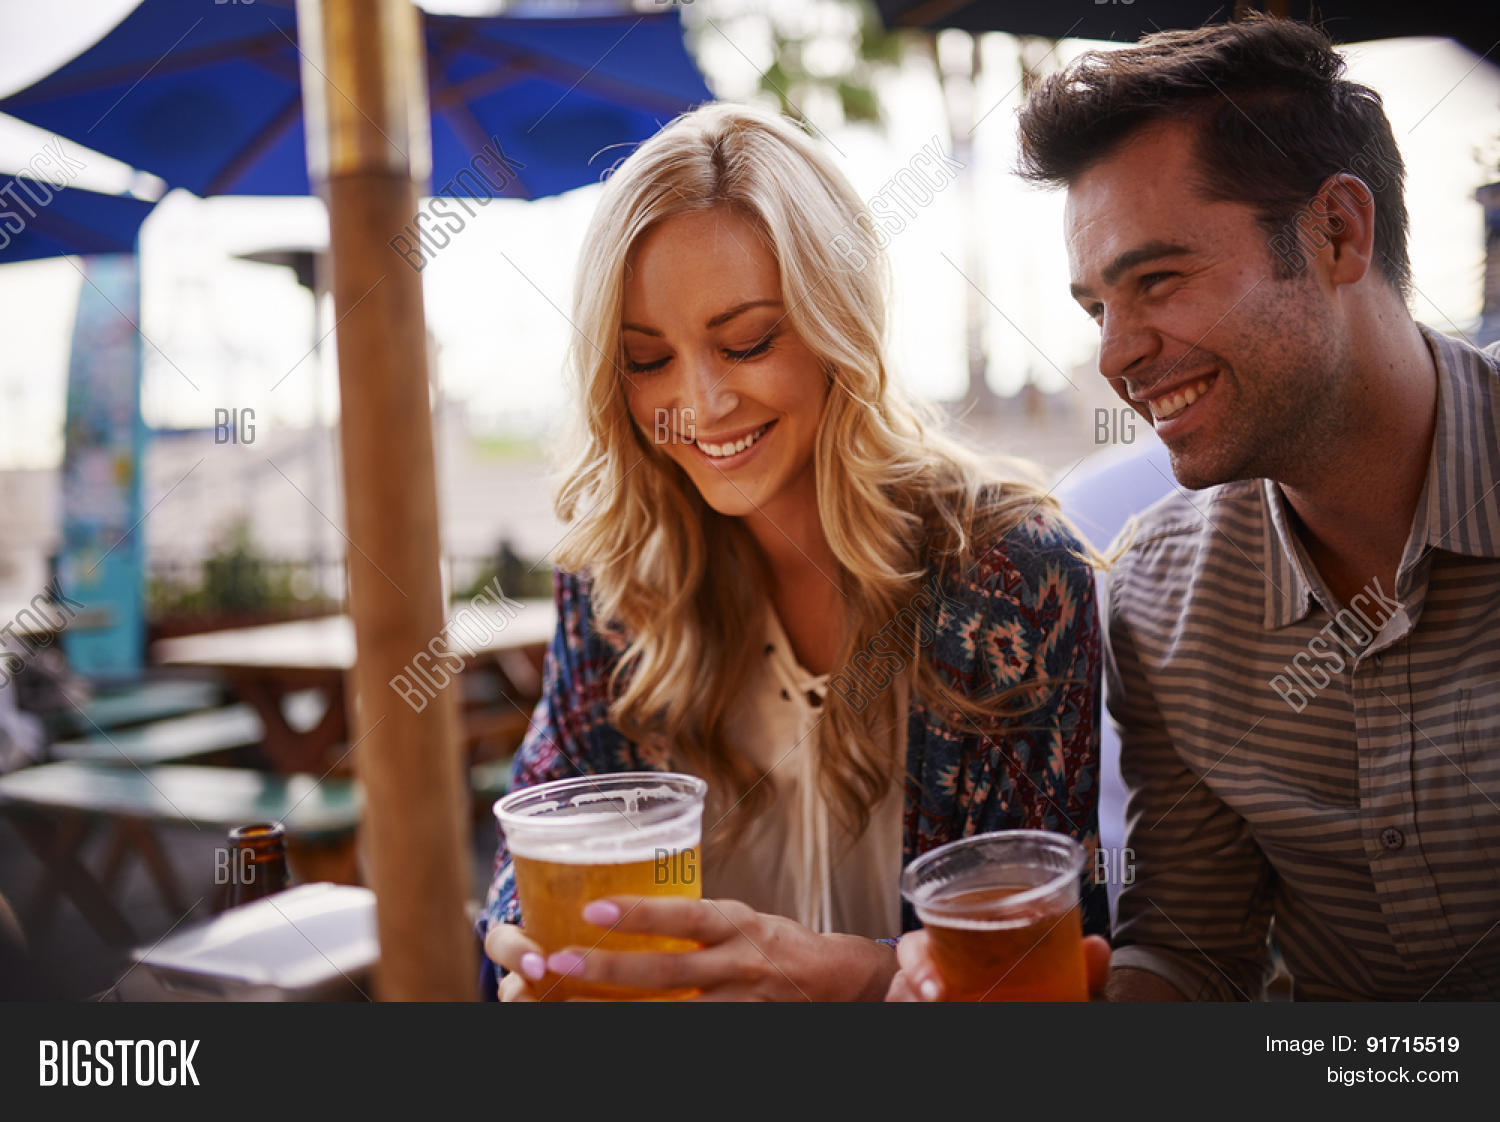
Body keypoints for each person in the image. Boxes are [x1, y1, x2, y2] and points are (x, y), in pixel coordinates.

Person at [890, 15, 1500, 1002]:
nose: (1115, 355)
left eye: (1158, 281)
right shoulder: (1159, 596)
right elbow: (1193, 953)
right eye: (1097, 306)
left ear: (1337, 232)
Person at [479, 102, 1107, 1001]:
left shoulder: (1008, 577)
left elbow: (1043, 968)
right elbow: (526, 847)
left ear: (837, 325)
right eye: (646, 359)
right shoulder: (616, 580)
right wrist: (525, 960)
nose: (697, 404)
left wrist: (834, 976)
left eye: (747, 342)